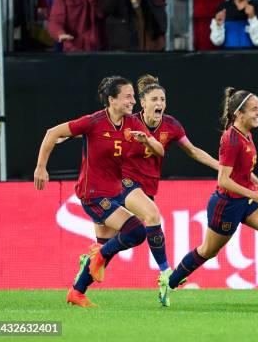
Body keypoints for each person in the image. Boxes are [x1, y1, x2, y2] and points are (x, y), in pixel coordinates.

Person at [68, 74, 221, 307]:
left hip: (147, 186)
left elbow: (193, 151)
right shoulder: (129, 120)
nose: (159, 103)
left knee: (106, 247)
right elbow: (97, 131)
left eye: (163, 99)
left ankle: (78, 289)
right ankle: (165, 271)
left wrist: (220, 168)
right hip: (125, 183)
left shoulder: (170, 125)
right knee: (152, 215)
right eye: (154, 99)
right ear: (143, 102)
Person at [161, 88, 258, 304]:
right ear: (240, 113)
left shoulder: (246, 133)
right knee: (208, 251)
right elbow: (224, 180)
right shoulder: (231, 140)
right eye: (254, 109)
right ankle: (169, 282)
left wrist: (257, 184)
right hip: (226, 204)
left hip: (246, 200)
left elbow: (243, 170)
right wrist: (254, 194)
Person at [34, 76, 164, 307]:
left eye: (133, 96)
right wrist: (41, 167)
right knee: (136, 232)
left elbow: (160, 150)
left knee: (106, 249)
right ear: (112, 100)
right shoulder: (93, 122)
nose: (133, 101)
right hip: (92, 193)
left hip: (113, 193)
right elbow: (52, 133)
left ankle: (77, 292)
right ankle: (98, 256)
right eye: (128, 96)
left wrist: (146, 141)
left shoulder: (132, 124)